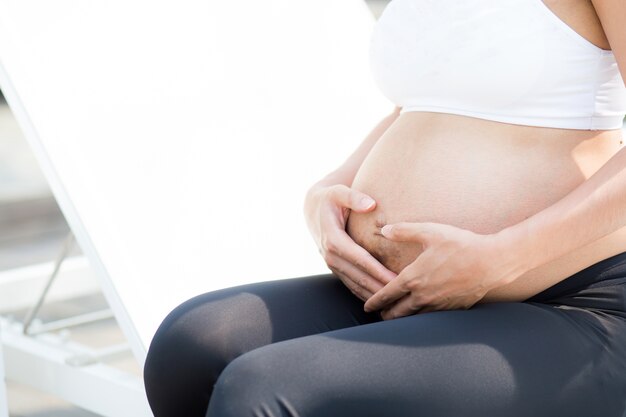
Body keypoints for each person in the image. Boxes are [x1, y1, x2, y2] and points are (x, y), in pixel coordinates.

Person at [143, 0, 626, 415]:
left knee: (266, 392)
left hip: (577, 302)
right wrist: (329, 189)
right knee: (192, 344)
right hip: (407, 290)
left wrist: (501, 256)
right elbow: (427, 104)